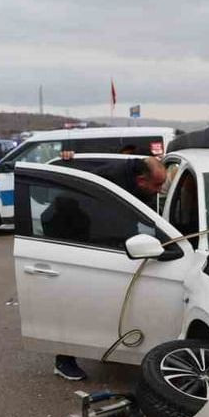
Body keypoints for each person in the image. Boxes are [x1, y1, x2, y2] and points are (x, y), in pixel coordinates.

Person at [51, 155, 169, 382]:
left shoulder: (132, 177)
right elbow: (108, 225)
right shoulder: (111, 183)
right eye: (156, 185)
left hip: (103, 243)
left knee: (110, 304)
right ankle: (63, 360)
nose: (159, 190)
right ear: (141, 180)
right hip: (80, 244)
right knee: (80, 304)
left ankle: (111, 347)